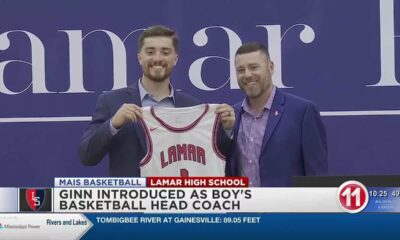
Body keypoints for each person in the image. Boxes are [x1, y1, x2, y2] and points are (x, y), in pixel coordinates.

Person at [79, 25, 235, 176]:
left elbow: (213, 158)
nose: (157, 58)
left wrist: (227, 130)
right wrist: (114, 123)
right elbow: (87, 156)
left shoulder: (193, 106)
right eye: (150, 51)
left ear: (175, 59)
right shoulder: (111, 101)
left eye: (165, 52)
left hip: (175, 200)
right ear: (140, 58)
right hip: (130, 201)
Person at [225, 42, 327, 187]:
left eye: (254, 67)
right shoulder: (232, 116)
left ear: (271, 67)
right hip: (243, 208)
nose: (247, 75)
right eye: (241, 70)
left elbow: (317, 178)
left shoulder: (303, 112)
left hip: (288, 209)